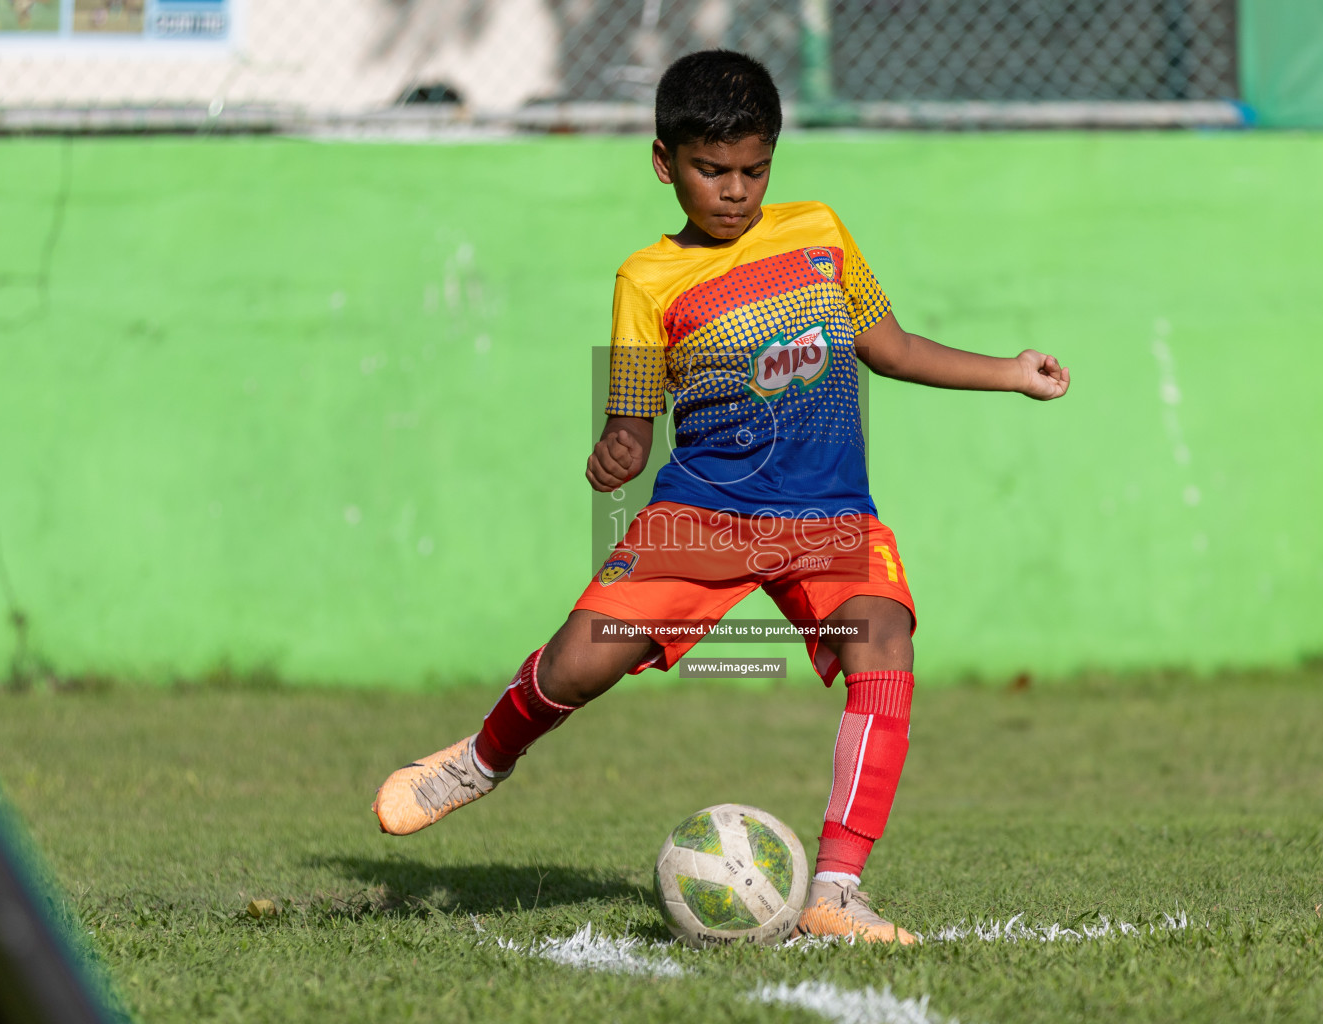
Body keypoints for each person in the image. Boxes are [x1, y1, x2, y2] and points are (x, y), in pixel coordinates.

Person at [372, 49, 1070, 944]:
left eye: (753, 169)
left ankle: (838, 890)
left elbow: (888, 347)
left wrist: (1008, 371)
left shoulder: (819, 232)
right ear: (665, 163)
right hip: (706, 514)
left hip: (829, 517)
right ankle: (477, 760)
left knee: (884, 634)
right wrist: (619, 448)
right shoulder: (645, 280)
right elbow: (633, 416)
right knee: (581, 663)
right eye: (711, 170)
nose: (734, 190)